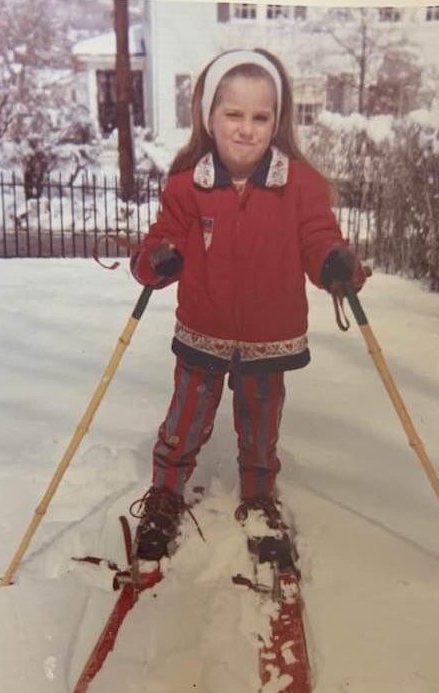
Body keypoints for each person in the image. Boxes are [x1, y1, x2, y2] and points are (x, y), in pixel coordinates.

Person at [128, 48, 366, 562]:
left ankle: (258, 498)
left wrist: (334, 263)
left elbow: (317, 237)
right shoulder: (187, 186)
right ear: (209, 117)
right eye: (233, 114)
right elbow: (160, 240)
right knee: (185, 420)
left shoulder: (299, 185)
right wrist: (157, 259)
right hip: (203, 330)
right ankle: (166, 495)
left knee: (261, 426)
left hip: (269, 335)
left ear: (276, 122)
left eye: (261, 117)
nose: (246, 129)